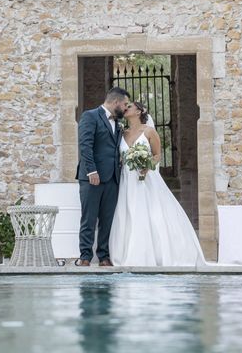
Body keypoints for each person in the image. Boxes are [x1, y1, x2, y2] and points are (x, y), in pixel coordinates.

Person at [109, 101, 207, 266]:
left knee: (150, 213)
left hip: (145, 179)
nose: (126, 108)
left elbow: (157, 155)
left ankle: (154, 254)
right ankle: (126, 253)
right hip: (127, 180)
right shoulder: (122, 134)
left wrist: (147, 166)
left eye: (130, 106)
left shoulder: (149, 132)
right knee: (127, 213)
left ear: (139, 111)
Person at [75, 86, 131, 266]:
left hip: (113, 178)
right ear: (116, 102)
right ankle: (85, 256)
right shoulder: (90, 116)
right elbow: (85, 145)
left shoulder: (118, 123)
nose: (125, 109)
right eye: (125, 104)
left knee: (107, 220)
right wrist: (91, 170)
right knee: (89, 218)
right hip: (92, 177)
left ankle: (104, 256)